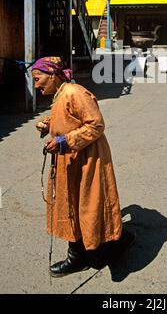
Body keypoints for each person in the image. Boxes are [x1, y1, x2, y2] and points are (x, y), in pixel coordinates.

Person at [32, 56, 134, 277]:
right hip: (70, 158)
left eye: (38, 78)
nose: (36, 84)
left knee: (89, 205)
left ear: (52, 76)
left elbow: (96, 124)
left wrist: (64, 141)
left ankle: (94, 250)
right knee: (72, 204)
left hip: (87, 159)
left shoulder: (75, 92)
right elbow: (67, 115)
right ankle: (100, 245)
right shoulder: (62, 94)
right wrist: (48, 124)